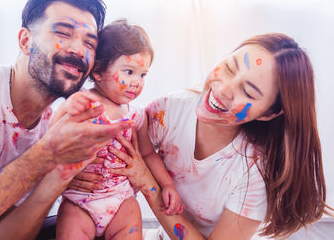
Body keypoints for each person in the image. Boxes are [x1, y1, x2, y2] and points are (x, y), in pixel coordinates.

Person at [0, 0, 133, 240]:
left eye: (90, 43)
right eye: (63, 33)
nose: (78, 49)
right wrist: (45, 155)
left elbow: (1, 237)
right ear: (25, 41)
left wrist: (57, 176)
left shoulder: (52, 123)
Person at [102, 33, 332, 239]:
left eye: (248, 91)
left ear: (268, 113)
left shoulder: (256, 171)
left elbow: (143, 174)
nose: (223, 89)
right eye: (230, 68)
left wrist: (149, 186)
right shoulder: (169, 109)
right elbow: (118, 149)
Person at [55, 19, 182, 239]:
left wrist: (168, 185)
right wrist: (66, 108)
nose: (137, 82)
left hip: (121, 200)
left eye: (143, 74)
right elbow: (51, 136)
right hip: (79, 200)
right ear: (98, 71)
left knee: (132, 223)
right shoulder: (83, 102)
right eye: (129, 72)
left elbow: (148, 154)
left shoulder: (137, 115)